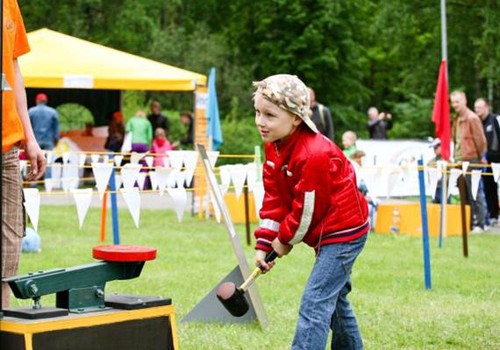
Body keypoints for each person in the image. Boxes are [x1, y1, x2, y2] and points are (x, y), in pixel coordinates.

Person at [253, 74, 369, 349]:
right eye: (257, 112)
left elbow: (306, 212)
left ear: (295, 118)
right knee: (335, 300)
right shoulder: (274, 146)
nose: (260, 121)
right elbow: (274, 197)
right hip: (324, 229)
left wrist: (281, 242)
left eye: (269, 115)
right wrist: (264, 243)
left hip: (344, 232)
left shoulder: (313, 153)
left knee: (316, 299)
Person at [2, 0, 46, 308]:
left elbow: (14, 70)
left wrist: (29, 138)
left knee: (8, 253)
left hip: (7, 147)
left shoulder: (9, 5)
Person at [451, 91, 487, 233]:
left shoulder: (472, 118)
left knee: (475, 192)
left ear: (465, 101)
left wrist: (480, 156)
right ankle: (468, 222)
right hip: (459, 160)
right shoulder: (456, 119)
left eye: (457, 101)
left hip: (471, 159)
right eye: (453, 102)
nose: (455, 105)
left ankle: (480, 223)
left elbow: (481, 140)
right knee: (463, 193)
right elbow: (456, 141)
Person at [474, 98, 500, 226]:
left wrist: (489, 155)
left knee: (492, 186)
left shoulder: (494, 120)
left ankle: (494, 214)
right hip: (481, 160)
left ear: (486, 107)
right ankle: (487, 213)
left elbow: (496, 141)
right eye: (475, 108)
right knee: (483, 187)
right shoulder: (476, 121)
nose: (477, 110)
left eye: (479, 107)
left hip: (494, 159)